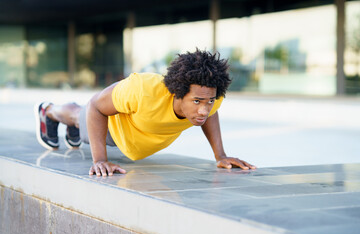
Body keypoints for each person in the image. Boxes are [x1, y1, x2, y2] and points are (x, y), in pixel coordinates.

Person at [34, 49, 256, 177]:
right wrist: (100, 159)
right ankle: (49, 111)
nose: (204, 110)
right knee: (79, 115)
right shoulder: (142, 89)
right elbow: (96, 106)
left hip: (137, 143)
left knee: (80, 122)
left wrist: (221, 155)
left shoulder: (210, 97)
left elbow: (212, 114)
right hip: (113, 128)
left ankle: (73, 126)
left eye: (209, 101)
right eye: (197, 101)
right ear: (177, 93)